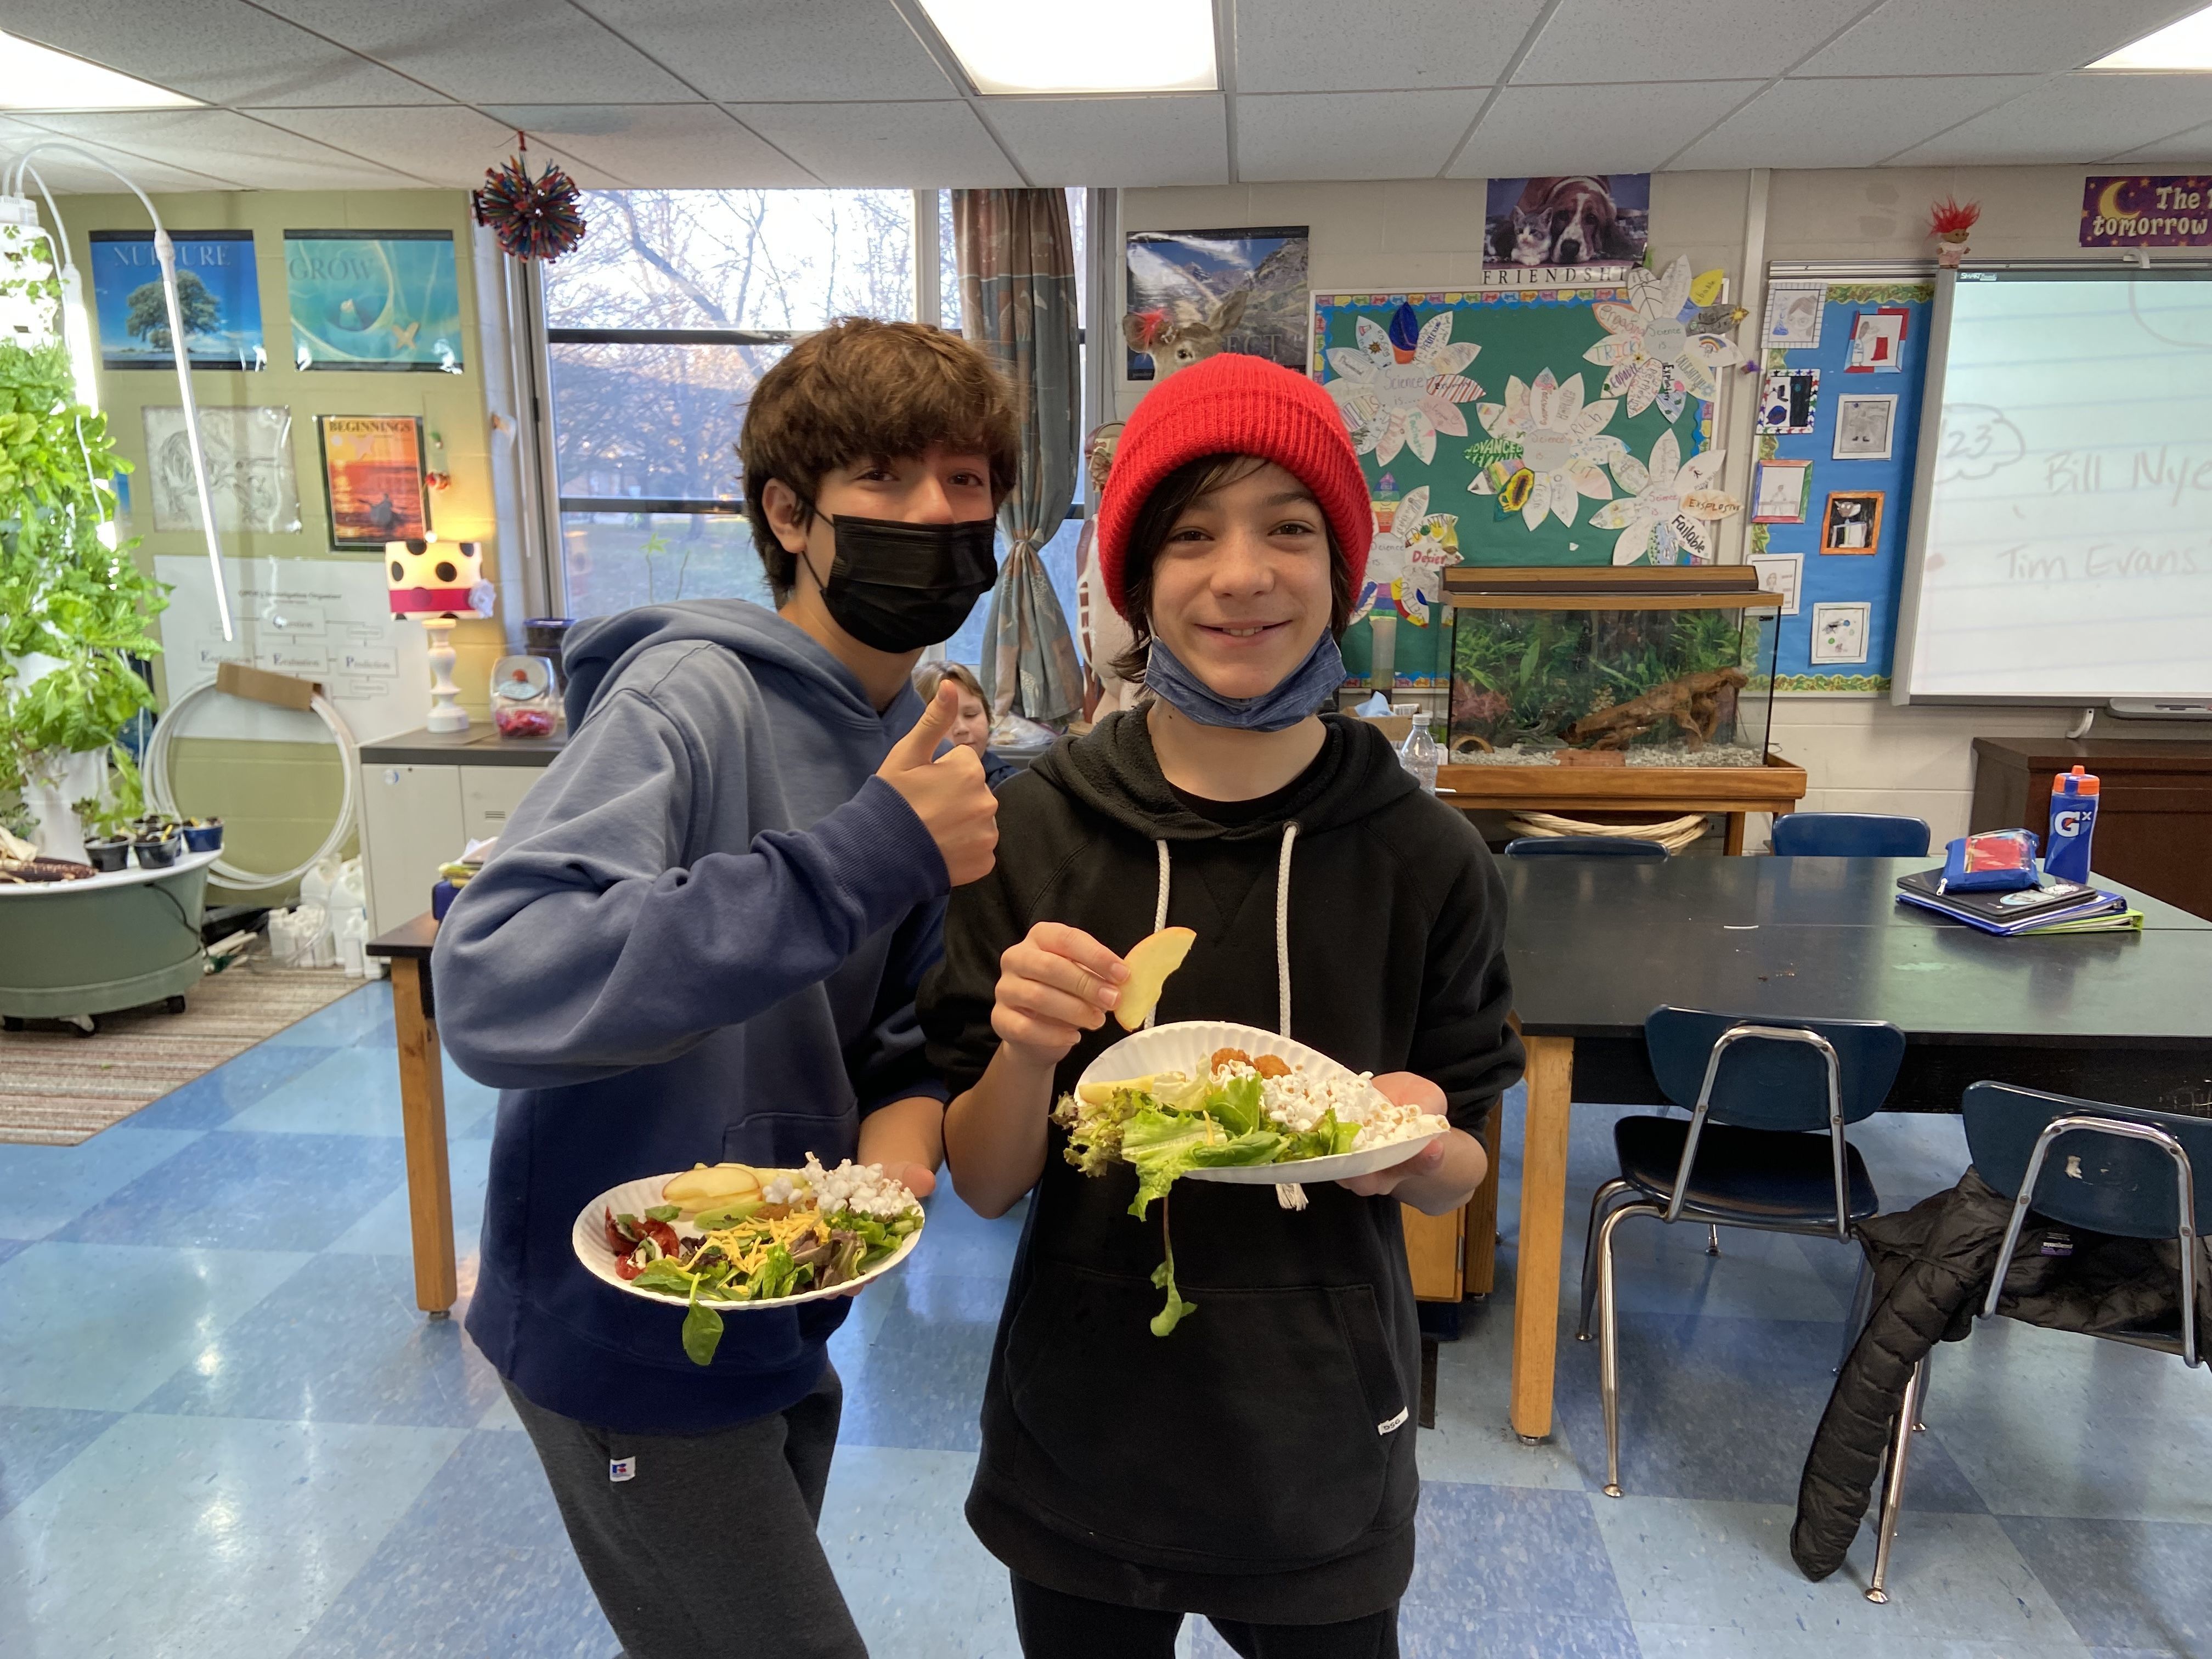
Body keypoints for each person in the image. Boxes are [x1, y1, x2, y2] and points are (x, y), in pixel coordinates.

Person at [918, 353, 1525, 1658]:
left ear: (1340, 571)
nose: (1241, 575)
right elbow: (980, 1178)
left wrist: (1420, 1143)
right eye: (1192, 536)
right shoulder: (1038, 830)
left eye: (1287, 530)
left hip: (1321, 1448)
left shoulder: (1424, 859)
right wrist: (1024, 1055)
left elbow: (1461, 1170)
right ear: (1139, 583)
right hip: (1080, 1434)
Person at [432, 318, 1015, 1659]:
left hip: (780, 1301)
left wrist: (902, 1133)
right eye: (885, 478)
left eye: (969, 481)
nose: (937, 512)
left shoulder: (915, 733)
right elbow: (498, 981)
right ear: (791, 515)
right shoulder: (689, 698)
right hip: (623, 1329)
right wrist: (868, 852)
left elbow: (894, 1034)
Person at [913, 658, 1018, 788]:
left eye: (971, 714)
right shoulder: (898, 788)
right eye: (945, 720)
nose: (962, 728)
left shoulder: (1011, 786)